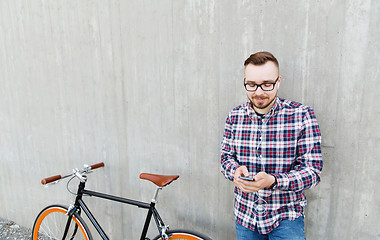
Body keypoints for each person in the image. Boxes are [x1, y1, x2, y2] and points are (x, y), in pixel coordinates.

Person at [220, 51, 323, 240]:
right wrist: (234, 171)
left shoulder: (302, 115)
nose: (259, 92)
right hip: (245, 216)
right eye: (251, 85)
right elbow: (226, 158)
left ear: (279, 81)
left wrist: (274, 181)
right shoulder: (234, 117)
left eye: (267, 84)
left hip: (286, 218)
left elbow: (313, 172)